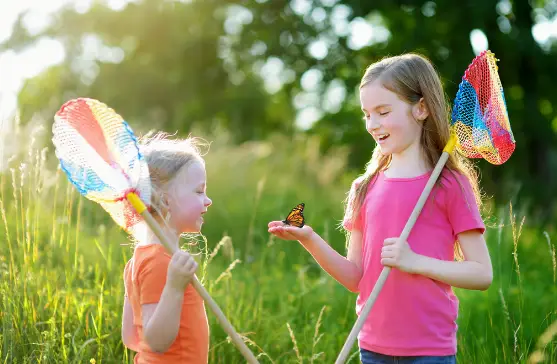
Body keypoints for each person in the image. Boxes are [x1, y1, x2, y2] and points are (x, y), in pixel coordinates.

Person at [268, 53, 493, 364]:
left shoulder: (449, 184)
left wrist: (414, 262)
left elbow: (481, 273)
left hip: (429, 351)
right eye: (366, 114)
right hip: (373, 346)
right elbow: (355, 278)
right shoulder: (365, 187)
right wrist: (308, 238)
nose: (373, 125)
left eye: (383, 112)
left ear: (422, 108)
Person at [121, 132, 212, 363]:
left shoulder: (138, 260)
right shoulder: (162, 263)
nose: (208, 200)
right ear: (165, 200)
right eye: (199, 191)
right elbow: (156, 343)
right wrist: (174, 287)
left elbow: (131, 338)